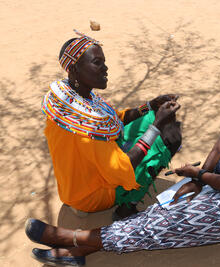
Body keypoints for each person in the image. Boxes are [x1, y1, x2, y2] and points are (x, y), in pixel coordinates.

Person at [25, 13, 220, 266]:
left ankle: (75, 240)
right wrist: (197, 178)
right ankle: (83, 246)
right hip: (216, 181)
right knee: (164, 209)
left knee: (162, 223)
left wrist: (200, 175)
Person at [42, 29, 182, 220]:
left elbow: (114, 119)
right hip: (91, 195)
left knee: (154, 119)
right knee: (168, 134)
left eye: (104, 62)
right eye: (97, 63)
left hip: (75, 186)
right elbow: (123, 167)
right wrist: (157, 124)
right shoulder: (88, 127)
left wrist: (150, 106)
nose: (105, 68)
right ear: (74, 69)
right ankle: (127, 206)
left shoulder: (70, 102)